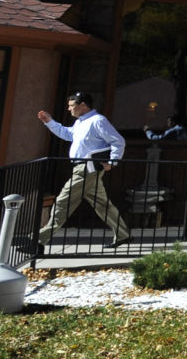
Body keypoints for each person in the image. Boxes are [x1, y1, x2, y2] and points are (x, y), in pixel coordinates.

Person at [36, 91, 131, 248]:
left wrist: (112, 162)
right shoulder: (81, 122)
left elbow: (118, 141)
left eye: (72, 106)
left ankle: (39, 239)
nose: (69, 109)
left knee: (62, 202)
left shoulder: (98, 121)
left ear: (83, 106)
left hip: (87, 168)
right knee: (102, 205)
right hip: (84, 168)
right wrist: (49, 122)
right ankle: (123, 235)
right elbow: (67, 134)